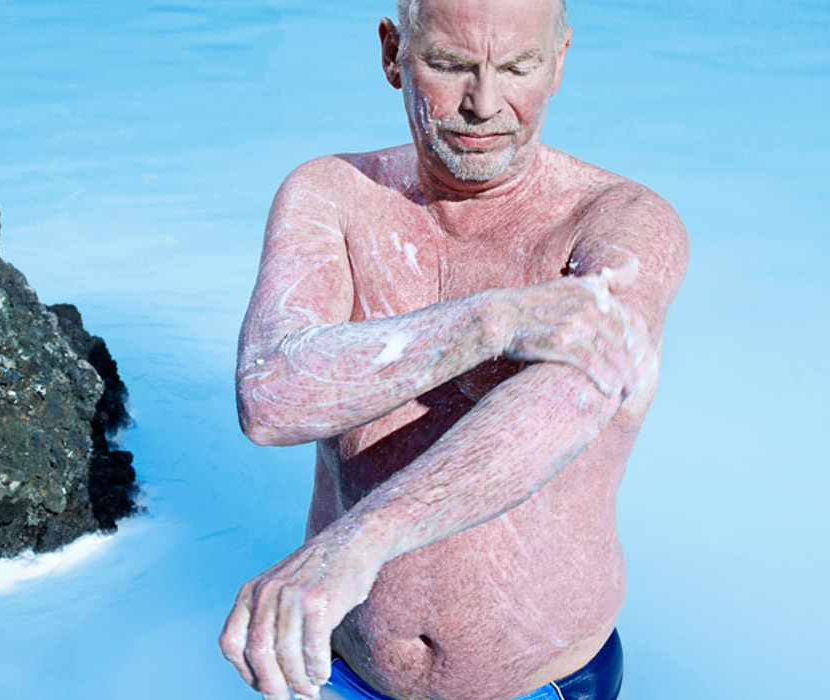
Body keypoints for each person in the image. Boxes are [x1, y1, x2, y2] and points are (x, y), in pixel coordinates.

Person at [219, 0, 689, 698]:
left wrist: (361, 542)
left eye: (518, 67)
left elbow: (572, 392)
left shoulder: (619, 222)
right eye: (450, 64)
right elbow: (270, 397)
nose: (485, 103)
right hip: (338, 667)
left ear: (559, 60)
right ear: (391, 53)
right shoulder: (333, 194)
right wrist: (494, 323)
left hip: (546, 685)